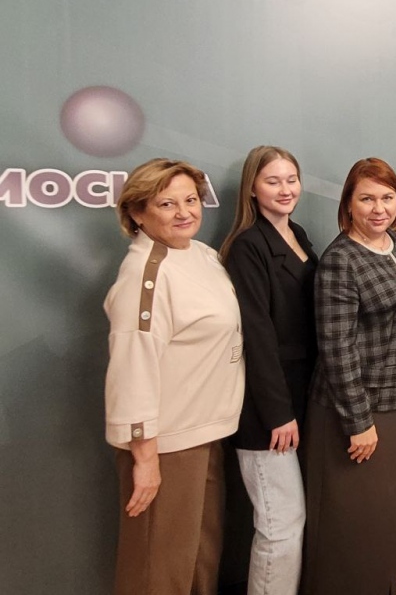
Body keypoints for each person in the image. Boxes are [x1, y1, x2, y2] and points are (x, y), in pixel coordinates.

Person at [104, 158, 245, 595]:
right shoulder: (145, 276)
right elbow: (132, 368)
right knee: (159, 569)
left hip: (205, 432)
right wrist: (145, 459)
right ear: (137, 213)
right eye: (167, 204)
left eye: (191, 200)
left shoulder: (202, 255)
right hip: (166, 445)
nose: (185, 212)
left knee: (200, 558)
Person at [303, 158, 396, 595]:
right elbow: (336, 349)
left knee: (382, 519)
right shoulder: (341, 260)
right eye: (367, 199)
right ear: (348, 205)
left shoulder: (395, 243)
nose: (379, 208)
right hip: (357, 411)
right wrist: (358, 421)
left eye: (387, 198)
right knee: (349, 525)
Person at [219, 146, 317, 595]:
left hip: (302, 395)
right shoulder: (248, 247)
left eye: (291, 179)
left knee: (290, 521)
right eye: (273, 181)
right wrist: (279, 413)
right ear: (252, 189)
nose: (285, 189)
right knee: (280, 523)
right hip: (266, 411)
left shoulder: (298, 234)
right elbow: (256, 335)